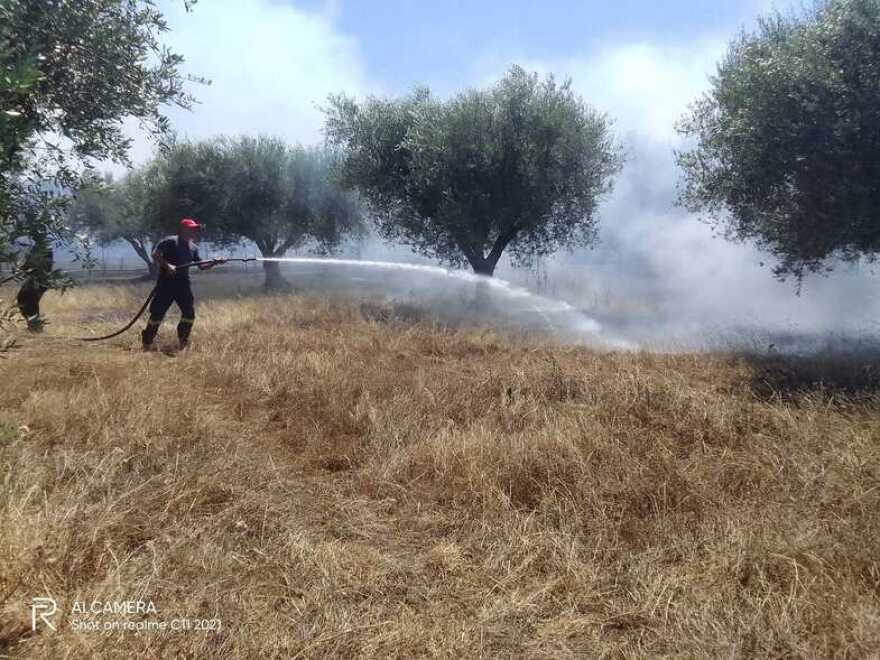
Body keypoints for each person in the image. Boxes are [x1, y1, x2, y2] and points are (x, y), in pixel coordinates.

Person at [141, 218, 225, 351]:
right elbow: (155, 254)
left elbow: (202, 266)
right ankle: (147, 344)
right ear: (182, 229)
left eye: (195, 229)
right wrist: (168, 266)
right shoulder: (169, 241)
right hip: (166, 285)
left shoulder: (193, 247)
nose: (193, 231)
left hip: (183, 285)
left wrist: (215, 262)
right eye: (191, 229)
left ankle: (182, 342)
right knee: (157, 315)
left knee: (189, 314)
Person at [16, 231, 54, 332]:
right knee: (31, 302)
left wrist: (23, 268)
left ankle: (35, 326)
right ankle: (34, 327)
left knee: (23, 299)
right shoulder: (41, 248)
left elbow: (33, 263)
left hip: (39, 280)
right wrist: (23, 268)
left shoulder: (43, 249)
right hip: (40, 280)